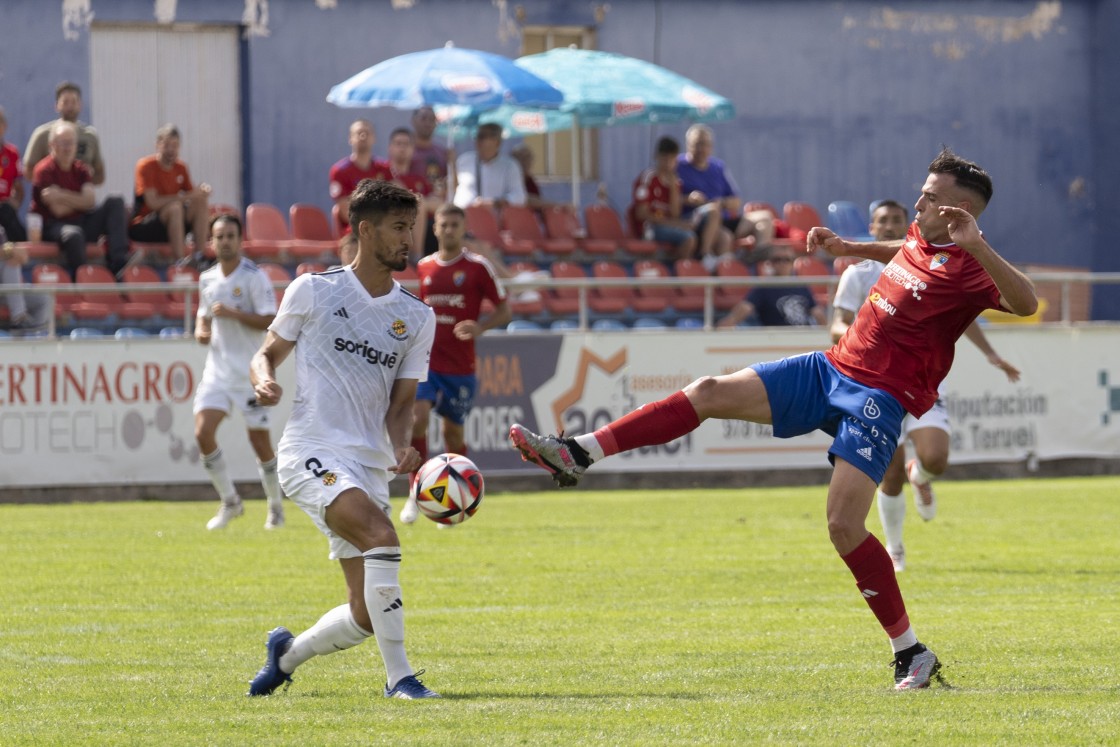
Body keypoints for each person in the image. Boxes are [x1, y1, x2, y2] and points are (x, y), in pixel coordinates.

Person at [508, 148, 1038, 691]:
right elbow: (901, 252)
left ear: (960, 212)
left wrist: (978, 244)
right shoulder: (919, 239)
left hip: (878, 397)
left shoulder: (972, 265)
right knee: (710, 390)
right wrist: (848, 247)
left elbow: (1027, 302)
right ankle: (578, 453)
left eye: (930, 195)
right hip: (829, 370)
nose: (918, 199)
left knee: (842, 526)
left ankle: (911, 654)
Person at [246, 179, 439, 700]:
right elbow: (266, 352)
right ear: (365, 229)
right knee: (383, 537)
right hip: (311, 451)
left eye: (411, 228)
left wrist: (402, 444)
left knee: (365, 612)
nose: (408, 239)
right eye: (398, 228)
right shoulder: (313, 289)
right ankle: (400, 678)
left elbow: (401, 405)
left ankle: (286, 655)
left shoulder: (418, 317)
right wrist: (263, 377)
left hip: (368, 464)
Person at [830, 199, 1021, 571]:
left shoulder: (927, 266)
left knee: (935, 458)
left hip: (921, 380)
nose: (889, 226)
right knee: (890, 471)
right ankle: (895, 548)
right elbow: (837, 323)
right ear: (871, 226)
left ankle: (923, 476)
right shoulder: (857, 274)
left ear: (907, 225)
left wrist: (990, 355)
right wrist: (864, 332)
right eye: (882, 220)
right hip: (875, 382)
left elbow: (960, 318)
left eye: (897, 220)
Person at [399, 204, 510, 525]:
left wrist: (480, 327)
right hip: (427, 362)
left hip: (460, 367)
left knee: (453, 433)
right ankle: (414, 491)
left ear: (463, 229)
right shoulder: (424, 267)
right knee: (417, 419)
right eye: (443, 225)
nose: (448, 230)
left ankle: (460, 492)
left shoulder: (478, 268)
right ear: (434, 229)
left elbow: (505, 311)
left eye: (454, 225)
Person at [194, 213, 284, 531]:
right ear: (211, 241)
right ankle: (230, 501)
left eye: (231, 235)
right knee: (202, 433)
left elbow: (269, 319)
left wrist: (233, 314)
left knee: (260, 443)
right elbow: (203, 316)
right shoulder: (206, 279)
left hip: (249, 373)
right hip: (217, 372)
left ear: (240, 240)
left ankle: (275, 507)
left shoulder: (253, 277)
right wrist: (201, 330)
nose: (225, 241)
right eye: (219, 236)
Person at [30, 122, 130, 277]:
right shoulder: (43, 170)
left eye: (71, 143)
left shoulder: (81, 169)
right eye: (63, 143)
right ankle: (83, 279)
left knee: (116, 201)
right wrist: (80, 201)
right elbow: (59, 210)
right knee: (74, 234)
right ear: (52, 145)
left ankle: (118, 265)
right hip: (53, 226)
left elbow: (90, 201)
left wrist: (61, 194)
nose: (68, 148)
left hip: (82, 221)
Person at [677, 124, 772, 270]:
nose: (701, 149)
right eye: (697, 144)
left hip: (725, 218)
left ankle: (757, 259)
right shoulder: (678, 166)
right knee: (724, 237)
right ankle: (714, 266)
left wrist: (722, 202)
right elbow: (669, 199)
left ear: (711, 147)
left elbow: (736, 201)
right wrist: (687, 198)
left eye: (705, 144)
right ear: (688, 145)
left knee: (764, 217)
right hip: (698, 222)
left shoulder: (718, 167)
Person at [129, 124, 212, 266]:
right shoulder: (145, 166)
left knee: (200, 202)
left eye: (175, 145)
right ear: (157, 145)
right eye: (166, 145)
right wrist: (186, 197)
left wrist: (202, 191)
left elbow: (192, 196)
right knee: (175, 207)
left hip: (173, 223)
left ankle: (199, 256)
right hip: (145, 225)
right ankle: (179, 261)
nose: (171, 150)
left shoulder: (181, 167)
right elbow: (152, 203)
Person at [718, 247, 826, 327]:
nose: (782, 263)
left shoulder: (801, 286)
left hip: (803, 336)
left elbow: (817, 312)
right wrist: (726, 324)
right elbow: (744, 309)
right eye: (777, 260)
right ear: (770, 263)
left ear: (792, 263)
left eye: (787, 259)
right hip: (777, 339)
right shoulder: (764, 287)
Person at [24, 81, 106, 186]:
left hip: (81, 198)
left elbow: (100, 174)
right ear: (57, 105)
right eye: (65, 102)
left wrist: (83, 181)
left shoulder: (90, 135)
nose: (70, 107)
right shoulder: (43, 134)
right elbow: (28, 170)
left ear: (80, 105)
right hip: (51, 197)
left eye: (74, 102)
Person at [629, 136, 697, 259]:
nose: (668, 164)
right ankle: (676, 273)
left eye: (672, 159)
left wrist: (673, 190)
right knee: (689, 238)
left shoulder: (675, 182)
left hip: (668, 226)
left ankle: (677, 269)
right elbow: (642, 214)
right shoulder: (647, 178)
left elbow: (675, 214)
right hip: (649, 228)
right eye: (664, 159)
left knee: (695, 234)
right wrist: (675, 224)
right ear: (656, 157)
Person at [329, 119, 391, 236]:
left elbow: (397, 197)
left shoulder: (385, 168)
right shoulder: (339, 171)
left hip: (384, 227)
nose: (363, 136)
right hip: (354, 232)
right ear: (350, 138)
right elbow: (346, 212)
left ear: (374, 138)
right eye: (359, 133)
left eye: (367, 133)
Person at [385, 127, 439, 261]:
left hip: (428, 231)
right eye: (398, 144)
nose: (402, 148)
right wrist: (420, 202)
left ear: (413, 149)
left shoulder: (418, 178)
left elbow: (440, 204)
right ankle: (417, 258)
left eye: (407, 144)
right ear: (390, 148)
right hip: (393, 228)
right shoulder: (383, 174)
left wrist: (423, 202)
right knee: (418, 203)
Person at [452, 123, 527, 210]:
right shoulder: (463, 160)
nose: (478, 141)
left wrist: (493, 203)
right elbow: (454, 185)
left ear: (497, 142)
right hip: (462, 217)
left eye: (483, 137)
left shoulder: (510, 166)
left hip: (491, 220)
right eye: (478, 136)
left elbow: (519, 197)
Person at [1, 229, 50, 332]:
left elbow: (20, 257)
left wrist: (19, 254)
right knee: (10, 260)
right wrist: (10, 251)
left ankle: (33, 340)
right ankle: (19, 317)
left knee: (43, 299)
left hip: (4, 289)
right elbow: (7, 252)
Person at [408, 106, 450, 200]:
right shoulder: (406, 150)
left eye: (432, 119)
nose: (428, 123)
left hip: (436, 207)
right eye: (423, 118)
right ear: (413, 121)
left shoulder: (442, 152)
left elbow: (448, 183)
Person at [0, 106, 28, 242]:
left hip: (5, 211)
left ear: (4, 126)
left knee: (7, 214)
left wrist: (14, 204)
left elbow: (19, 190)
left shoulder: (12, 153)